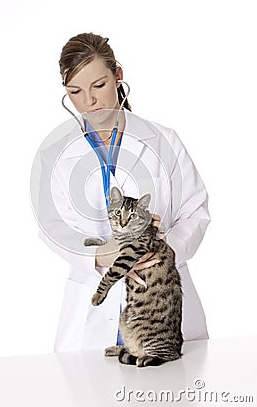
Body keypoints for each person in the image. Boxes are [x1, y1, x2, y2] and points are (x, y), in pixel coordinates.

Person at [35, 32, 211, 352]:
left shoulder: (163, 141)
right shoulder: (56, 155)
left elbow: (195, 211)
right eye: (75, 91)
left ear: (118, 76)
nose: (89, 101)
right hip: (89, 321)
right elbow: (52, 229)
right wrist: (101, 255)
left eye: (98, 86)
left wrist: (162, 251)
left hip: (160, 307)